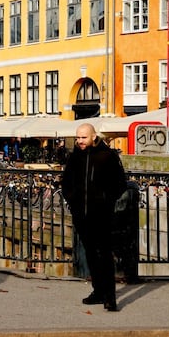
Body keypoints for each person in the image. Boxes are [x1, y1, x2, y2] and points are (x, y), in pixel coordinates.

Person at [61, 123, 127, 312]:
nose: (80, 141)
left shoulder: (107, 156)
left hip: (102, 213)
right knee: (90, 253)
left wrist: (107, 199)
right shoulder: (75, 157)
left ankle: (110, 297)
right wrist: (73, 200)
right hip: (82, 213)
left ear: (93, 136)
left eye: (83, 137)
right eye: (78, 138)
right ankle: (98, 291)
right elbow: (66, 183)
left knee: (104, 254)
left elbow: (120, 183)